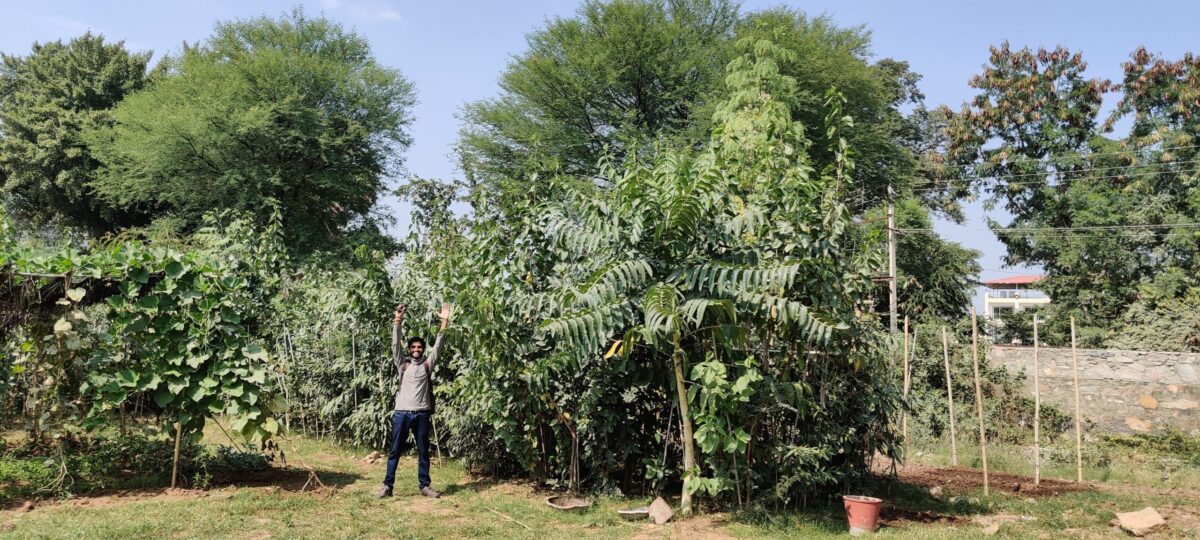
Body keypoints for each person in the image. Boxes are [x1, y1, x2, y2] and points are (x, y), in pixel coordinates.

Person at [378, 302, 450, 498]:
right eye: (413, 347)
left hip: (422, 414)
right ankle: (387, 486)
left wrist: (444, 321)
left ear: (423, 349)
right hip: (402, 413)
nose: (416, 349)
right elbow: (395, 344)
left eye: (419, 347)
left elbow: (439, 344)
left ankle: (424, 486)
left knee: (423, 451)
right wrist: (397, 320)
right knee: (394, 451)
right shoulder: (402, 365)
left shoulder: (428, 364)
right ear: (409, 349)